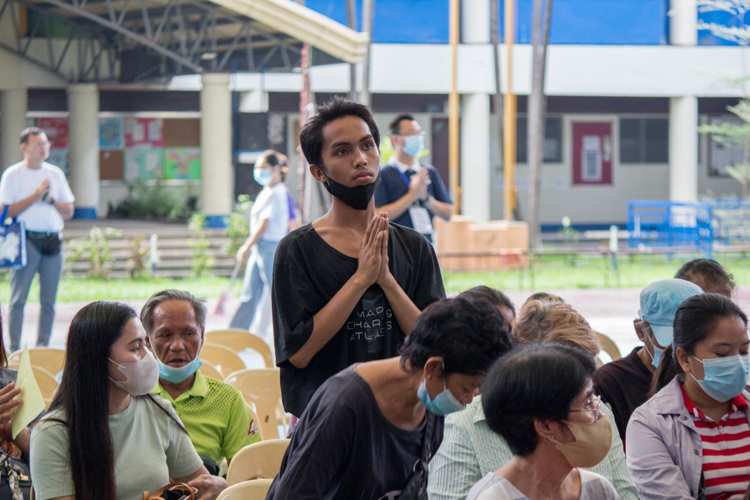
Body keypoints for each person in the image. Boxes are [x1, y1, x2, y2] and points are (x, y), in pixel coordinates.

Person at [273, 98, 445, 419]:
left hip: (403, 419)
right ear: (318, 172)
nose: (360, 159)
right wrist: (360, 279)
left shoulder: (415, 246)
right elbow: (298, 353)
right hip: (328, 421)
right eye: (342, 151)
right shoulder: (297, 250)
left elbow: (434, 344)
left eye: (367, 146)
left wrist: (387, 281)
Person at [266, 296, 515, 500]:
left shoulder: (429, 409)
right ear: (432, 368)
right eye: (469, 388)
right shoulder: (344, 404)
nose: (469, 400)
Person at [428, 297, 637, 500]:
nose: (594, 410)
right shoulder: (463, 426)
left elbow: (626, 494)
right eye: (568, 381)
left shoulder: (597, 481)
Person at [29, 301, 226, 500]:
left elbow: (201, 484)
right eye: (135, 348)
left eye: (145, 345)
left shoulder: (158, 410)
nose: (148, 357)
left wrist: (218, 488)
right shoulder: (52, 434)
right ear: (98, 359)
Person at [627, 293, 750, 500]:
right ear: (684, 358)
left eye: (744, 351)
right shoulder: (649, 424)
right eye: (722, 354)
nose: (737, 363)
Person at [466, 343, 619, 500]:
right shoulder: (492, 497)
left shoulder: (597, 489)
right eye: (587, 404)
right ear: (545, 426)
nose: (599, 415)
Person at [141, 290, 260, 472]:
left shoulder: (228, 400)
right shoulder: (133, 398)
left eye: (188, 333)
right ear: (147, 340)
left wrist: (222, 487)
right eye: (165, 335)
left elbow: (251, 472)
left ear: (202, 335)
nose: (177, 346)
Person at [593, 279, 703, 443]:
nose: (680, 354)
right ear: (640, 331)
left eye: (690, 342)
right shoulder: (610, 382)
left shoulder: (708, 377)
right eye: (669, 343)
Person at [0, 127, 74, 352]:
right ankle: (14, 350)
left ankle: (42, 348)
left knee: (48, 301)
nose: (44, 148)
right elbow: (4, 212)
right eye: (38, 144)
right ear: (24, 147)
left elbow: (69, 210)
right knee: (18, 300)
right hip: (26, 241)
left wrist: (50, 199)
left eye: (46, 143)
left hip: (53, 241)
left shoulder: (55, 174)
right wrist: (35, 196)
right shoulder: (13, 175)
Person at [230, 150, 290, 330]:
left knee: (277, 295)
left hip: (269, 247)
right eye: (257, 168)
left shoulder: (276, 192)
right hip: (261, 248)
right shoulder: (268, 191)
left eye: (263, 167)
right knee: (250, 294)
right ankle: (236, 333)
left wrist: (247, 246)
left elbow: (263, 224)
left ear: (275, 169)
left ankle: (288, 331)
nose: (259, 171)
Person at [374, 114, 453, 240]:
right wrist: (411, 196)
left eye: (419, 134)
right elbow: (377, 215)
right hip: (396, 245)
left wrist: (426, 198)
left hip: (426, 243)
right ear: (395, 139)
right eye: (411, 134)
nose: (417, 138)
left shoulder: (429, 172)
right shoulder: (383, 173)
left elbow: (448, 213)